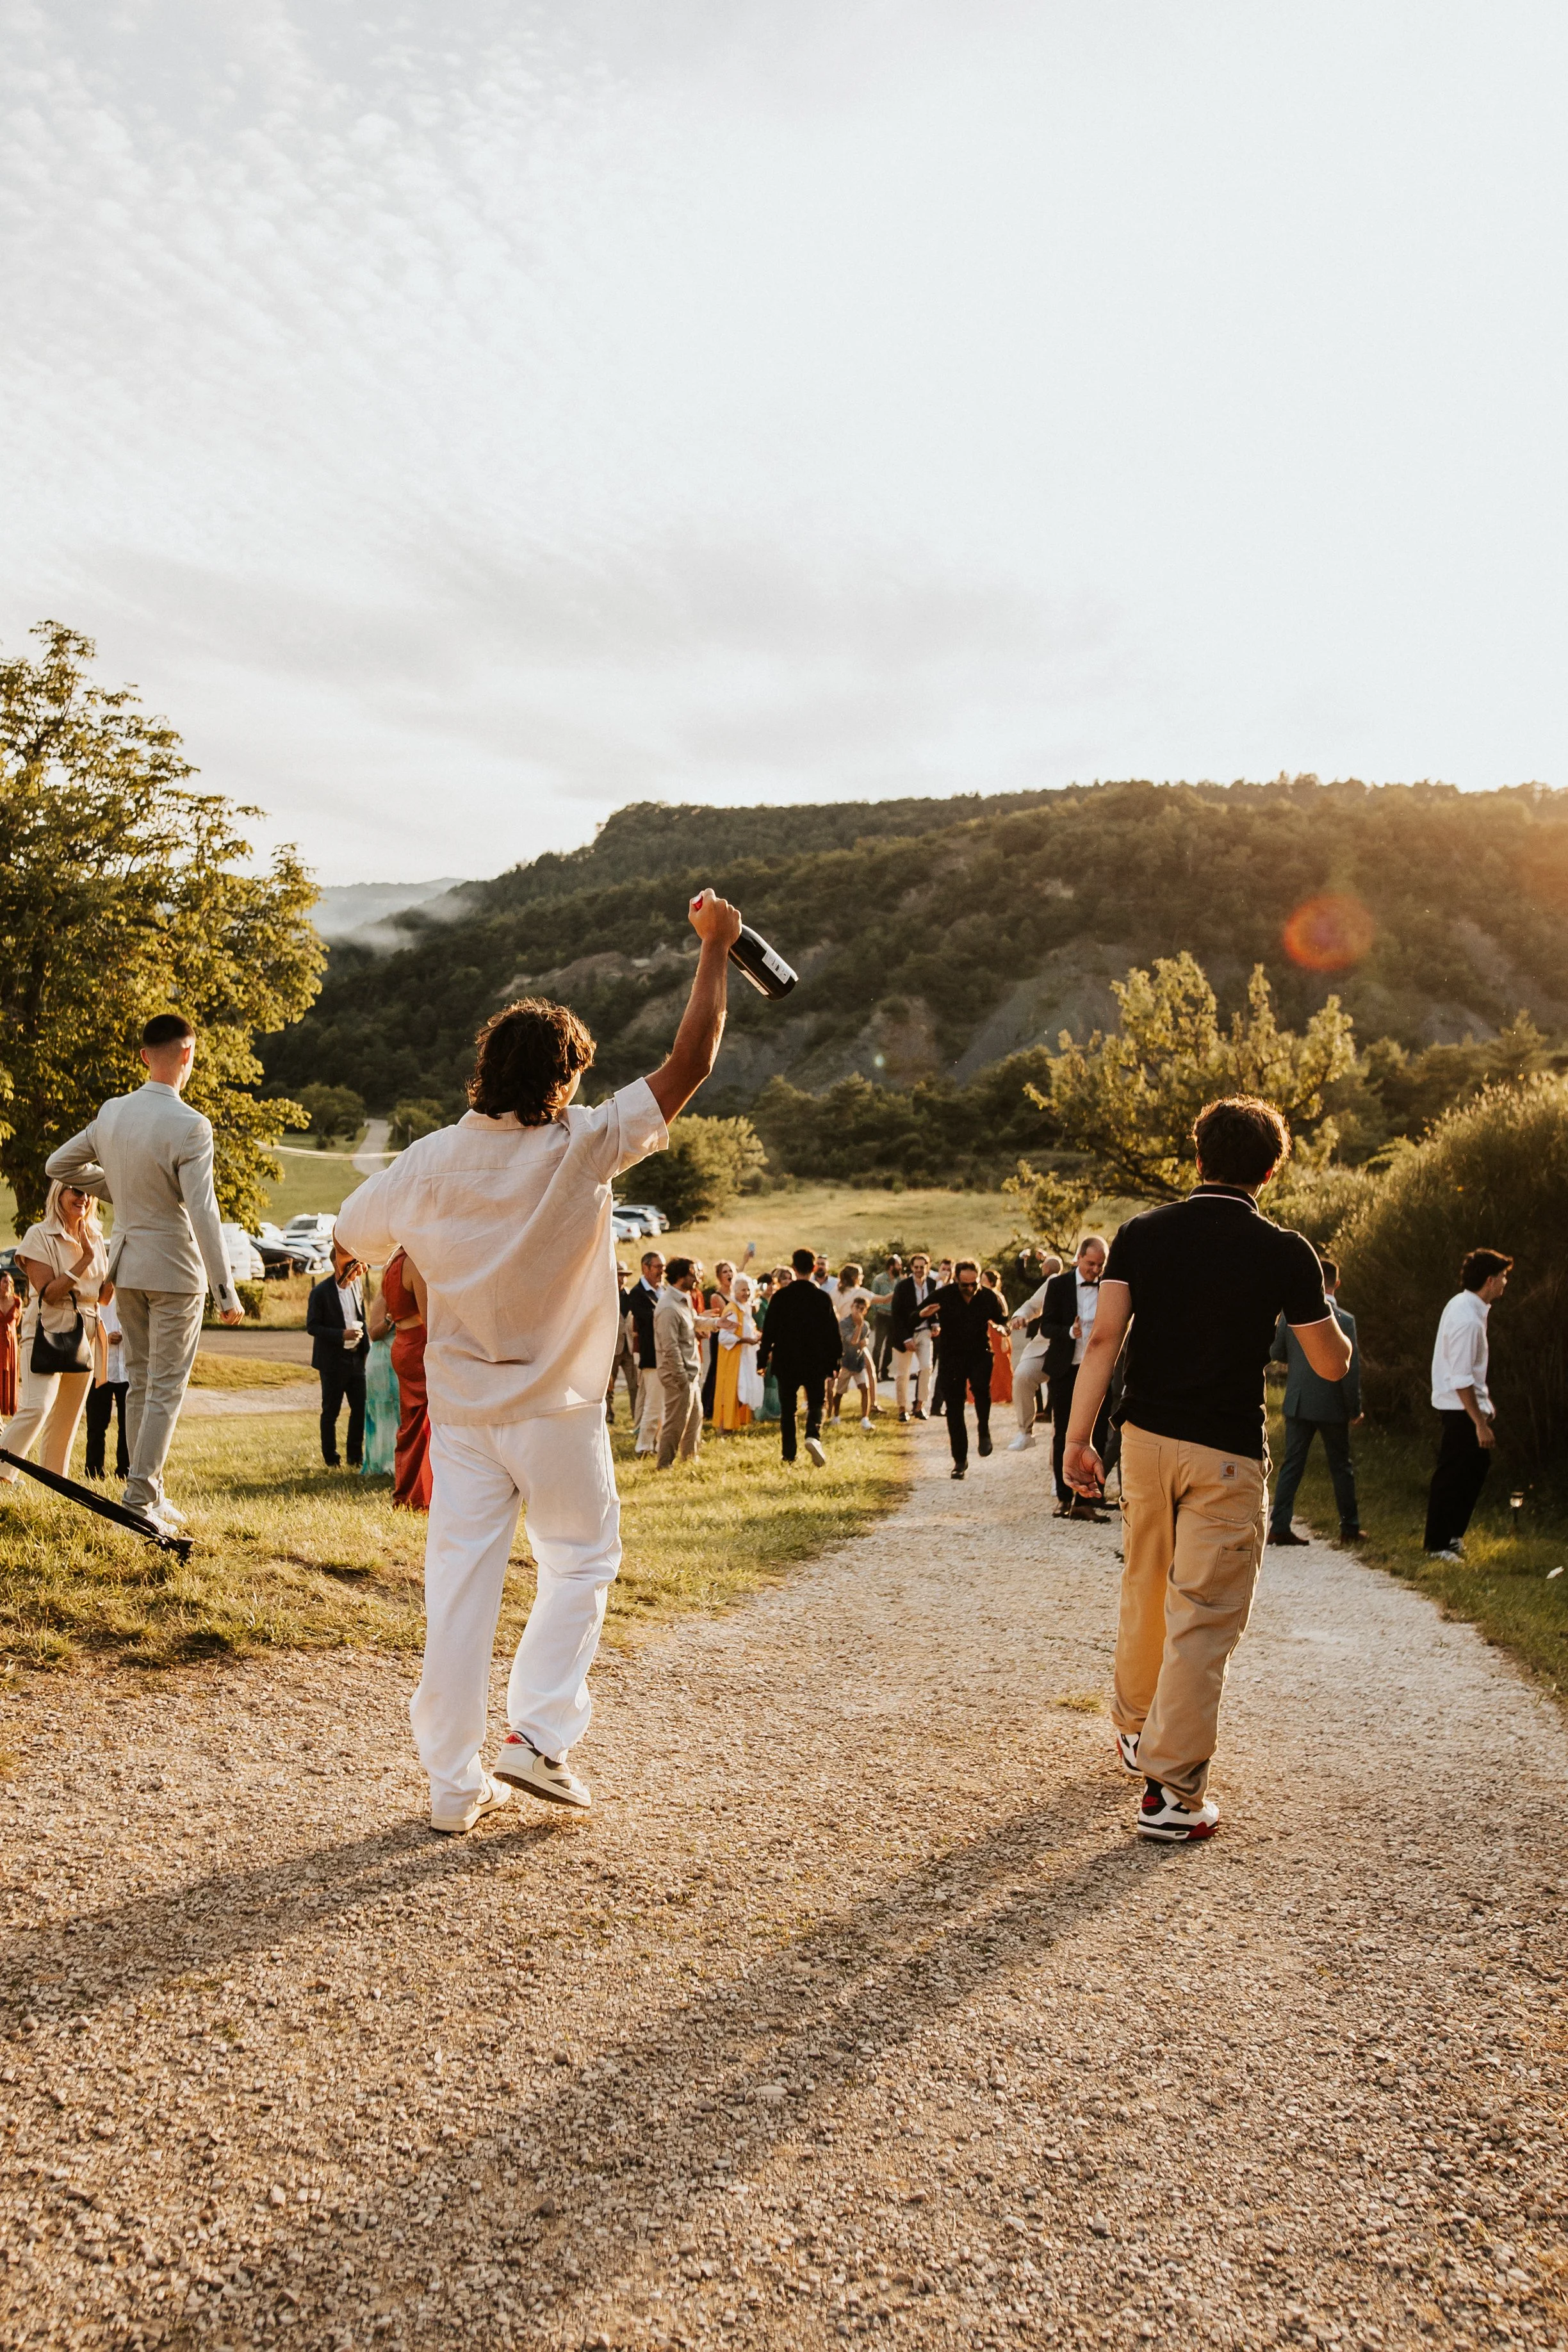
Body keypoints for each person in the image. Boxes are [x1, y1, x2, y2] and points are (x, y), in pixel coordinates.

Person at [334, 885, 742, 1834]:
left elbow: (353, 1237)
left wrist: (396, 1261)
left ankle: (450, 1784)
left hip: (469, 1415)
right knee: (582, 1560)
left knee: (459, 1593)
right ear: (564, 1079)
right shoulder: (587, 1143)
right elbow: (693, 1061)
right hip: (556, 1407)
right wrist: (716, 948)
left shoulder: (430, 1160)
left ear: (486, 1069)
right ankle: (538, 1737)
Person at [1061, 1094, 1351, 1844]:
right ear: (1269, 1170)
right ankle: (1171, 1795)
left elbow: (1103, 1343)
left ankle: (1134, 1731)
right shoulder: (1288, 1251)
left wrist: (1077, 1439)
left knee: (1145, 1584)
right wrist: (1334, 1333)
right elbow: (1328, 1360)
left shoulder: (1141, 1234)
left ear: (1198, 1157)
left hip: (1148, 1443)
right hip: (1225, 1454)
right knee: (1204, 1618)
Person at [45, 1009, 245, 1531]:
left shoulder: (112, 1113)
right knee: (165, 1386)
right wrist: (226, 1292)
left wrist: (121, 1191)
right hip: (177, 1270)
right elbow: (204, 1211)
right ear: (188, 1055)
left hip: (127, 1266)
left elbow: (58, 1166)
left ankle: (148, 1489)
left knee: (139, 1382)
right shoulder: (191, 1124)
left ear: (142, 1056)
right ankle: (138, 1498)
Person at [1, 1181, 110, 1489]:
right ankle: (2, 1474)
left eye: (87, 1192)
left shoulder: (97, 1237)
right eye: (75, 1190)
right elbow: (48, 1293)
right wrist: (85, 1260)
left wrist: (118, 1269)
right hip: (47, 1329)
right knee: (37, 1406)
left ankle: (54, 1488)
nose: (83, 1197)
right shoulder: (39, 1235)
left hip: (85, 1334)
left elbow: (102, 1297)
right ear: (58, 1195)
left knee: (67, 1418)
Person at [1424, 1248, 1513, 1561]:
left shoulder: (1467, 1307)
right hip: (1459, 1410)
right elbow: (1460, 1378)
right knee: (1453, 1475)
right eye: (1503, 1277)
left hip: (1466, 1406)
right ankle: (1438, 1544)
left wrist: (1484, 1404)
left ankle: (1451, 1536)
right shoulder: (1467, 1319)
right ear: (1490, 1280)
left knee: (1473, 1470)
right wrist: (1480, 1422)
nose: (1505, 1283)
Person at [1267, 1257, 1362, 1545]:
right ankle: (1350, 1528)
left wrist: (1300, 1363)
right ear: (1337, 1283)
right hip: (1332, 1403)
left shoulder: (1289, 1317)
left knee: (1292, 1464)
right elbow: (1350, 1369)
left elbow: (1276, 1351)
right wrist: (1354, 1408)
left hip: (1298, 1400)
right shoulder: (1345, 1320)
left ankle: (1279, 1526)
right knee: (1341, 1466)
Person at [1039, 1236, 1113, 1518]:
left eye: (1100, 1264)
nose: (1095, 1269)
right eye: (1091, 1263)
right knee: (1064, 1434)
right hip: (1065, 1368)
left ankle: (1091, 1497)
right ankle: (1064, 1497)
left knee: (1098, 1434)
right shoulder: (1058, 1285)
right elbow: (1046, 1326)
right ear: (1079, 1258)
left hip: (1097, 1369)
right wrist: (1070, 1333)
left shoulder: (1109, 1286)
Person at [919, 1258, 1008, 1477]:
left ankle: (984, 1429)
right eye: (964, 1284)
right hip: (952, 1357)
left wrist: (1002, 1327)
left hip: (980, 1353)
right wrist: (924, 1315)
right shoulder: (945, 1294)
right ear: (956, 1279)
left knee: (980, 1390)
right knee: (954, 1410)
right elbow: (915, 1315)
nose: (969, 1289)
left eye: (973, 1284)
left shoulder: (988, 1297)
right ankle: (960, 1461)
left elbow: (1003, 1319)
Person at [756, 1247, 842, 1466]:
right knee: (816, 1403)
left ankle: (789, 1455)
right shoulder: (822, 1298)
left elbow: (770, 1331)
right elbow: (833, 1332)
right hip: (815, 1360)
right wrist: (835, 1362)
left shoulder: (780, 1297)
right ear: (814, 1268)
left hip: (786, 1361)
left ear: (793, 1268)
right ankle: (813, 1435)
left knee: (788, 1409)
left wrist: (762, 1359)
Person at [306, 1240, 370, 1469]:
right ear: (336, 1262)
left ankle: (355, 1457)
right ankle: (331, 1459)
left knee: (360, 1409)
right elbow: (312, 1326)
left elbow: (361, 1317)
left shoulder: (357, 1287)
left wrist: (366, 1349)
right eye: (347, 1262)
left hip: (356, 1359)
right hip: (332, 1362)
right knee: (330, 1412)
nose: (352, 1267)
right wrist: (340, 1334)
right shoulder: (320, 1292)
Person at [380, 1246, 432, 1509]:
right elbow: (428, 1315)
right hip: (418, 1346)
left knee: (410, 1423)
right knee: (425, 1424)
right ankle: (419, 1494)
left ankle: (408, 1492)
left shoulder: (391, 1264)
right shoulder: (413, 1263)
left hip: (400, 1344)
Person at [1005, 1252, 1064, 1450]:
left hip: (1081, 1353)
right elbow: (1032, 1305)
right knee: (1022, 1376)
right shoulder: (1056, 1282)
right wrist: (1021, 1316)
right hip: (1046, 1346)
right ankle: (1025, 1433)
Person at [654, 1258, 710, 1466]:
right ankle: (664, 1463)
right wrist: (681, 1376)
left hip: (690, 1373)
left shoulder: (683, 1299)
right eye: (692, 1274)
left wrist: (717, 1323)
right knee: (676, 1422)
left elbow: (694, 1321)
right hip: (679, 1375)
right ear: (680, 1277)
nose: (697, 1278)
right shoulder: (668, 1307)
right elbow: (670, 1347)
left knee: (695, 1417)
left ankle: (689, 1459)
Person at [84, 1285, 131, 1482]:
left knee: (128, 1425)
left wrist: (123, 1335)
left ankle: (125, 1472)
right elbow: (89, 1322)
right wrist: (109, 1333)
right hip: (101, 1365)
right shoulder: (96, 1293)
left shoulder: (130, 1292)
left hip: (127, 1369)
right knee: (96, 1424)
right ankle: (94, 1472)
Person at [888, 1252, 938, 1421]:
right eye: (915, 1267)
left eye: (922, 1267)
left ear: (928, 1268)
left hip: (924, 1332)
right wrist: (906, 1339)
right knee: (902, 1373)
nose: (918, 1270)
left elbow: (935, 1307)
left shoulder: (931, 1284)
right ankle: (902, 1409)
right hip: (905, 1334)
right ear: (911, 1268)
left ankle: (920, 1406)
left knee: (926, 1367)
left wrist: (936, 1323)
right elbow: (896, 1315)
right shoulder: (902, 1286)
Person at [625, 1250, 666, 1456]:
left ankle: (659, 1444)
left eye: (663, 1267)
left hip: (665, 1356)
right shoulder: (638, 1294)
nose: (662, 1271)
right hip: (652, 1357)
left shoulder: (662, 1291)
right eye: (658, 1267)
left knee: (664, 1406)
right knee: (653, 1404)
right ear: (646, 1267)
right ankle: (643, 1446)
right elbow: (651, 1321)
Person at [712, 1273, 762, 1432]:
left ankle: (731, 1424)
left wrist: (756, 1336)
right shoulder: (732, 1310)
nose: (746, 1293)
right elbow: (724, 1337)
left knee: (743, 1391)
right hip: (734, 1359)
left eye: (748, 1290)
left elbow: (748, 1329)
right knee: (734, 1391)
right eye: (742, 1290)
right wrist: (746, 1340)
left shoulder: (745, 1309)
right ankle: (724, 1427)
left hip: (745, 1357)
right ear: (735, 1291)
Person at [831, 1293, 876, 1428]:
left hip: (858, 1361)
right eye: (857, 1307)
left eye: (863, 1309)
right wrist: (858, 1327)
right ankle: (836, 1416)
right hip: (845, 1362)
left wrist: (865, 1341)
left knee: (864, 1388)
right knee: (839, 1392)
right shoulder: (844, 1324)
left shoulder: (866, 1326)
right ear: (852, 1307)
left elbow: (862, 1342)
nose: (859, 1311)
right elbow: (852, 1341)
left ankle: (865, 1419)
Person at [605, 1264, 641, 1426]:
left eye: (624, 1275)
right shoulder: (606, 1296)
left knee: (635, 1385)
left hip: (629, 1347)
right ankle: (608, 1416)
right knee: (607, 1386)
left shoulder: (632, 1296)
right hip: (612, 1349)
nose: (621, 1279)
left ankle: (637, 1416)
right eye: (619, 1275)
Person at [701, 1261, 735, 1420]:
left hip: (734, 1336)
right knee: (716, 1369)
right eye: (725, 1272)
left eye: (730, 1272)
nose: (729, 1275)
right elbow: (727, 1314)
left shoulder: (735, 1294)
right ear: (719, 1277)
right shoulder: (717, 1296)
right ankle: (708, 1406)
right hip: (720, 1336)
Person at [981, 1270, 1013, 1409]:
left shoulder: (996, 1295)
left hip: (996, 1331)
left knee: (1001, 1363)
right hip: (991, 1331)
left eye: (984, 1280)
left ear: (991, 1282)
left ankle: (1004, 1393)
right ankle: (996, 1393)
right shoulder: (985, 1295)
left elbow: (1004, 1315)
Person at [869, 1255, 902, 1384]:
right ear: (891, 1266)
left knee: (890, 1346)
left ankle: (885, 1372)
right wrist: (877, 1311)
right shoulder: (879, 1280)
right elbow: (873, 1297)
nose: (900, 1267)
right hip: (882, 1315)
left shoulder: (900, 1281)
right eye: (898, 1265)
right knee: (878, 1346)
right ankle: (874, 1373)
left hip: (894, 1316)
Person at [0, 1271, 21, 1422]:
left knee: (10, 1378)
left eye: (10, 1283)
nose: (8, 1285)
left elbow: (17, 1322)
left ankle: (8, 1412)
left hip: (11, 1346)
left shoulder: (17, 1302)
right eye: (5, 1282)